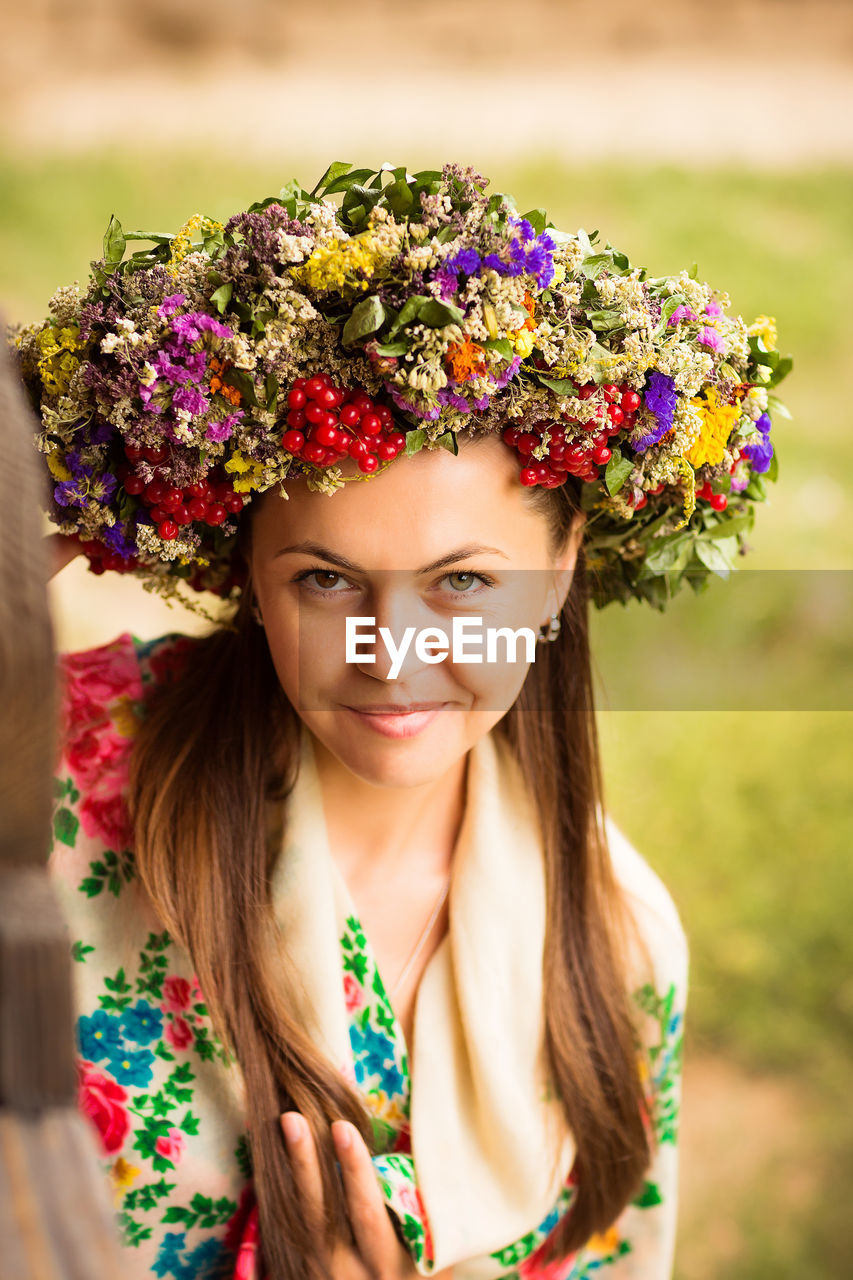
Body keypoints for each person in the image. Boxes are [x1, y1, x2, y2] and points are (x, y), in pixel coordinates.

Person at [21, 160, 788, 1279]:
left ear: (563, 566)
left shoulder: (620, 950)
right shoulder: (60, 777)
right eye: (326, 580)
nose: (394, 657)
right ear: (247, 568)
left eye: (463, 583)